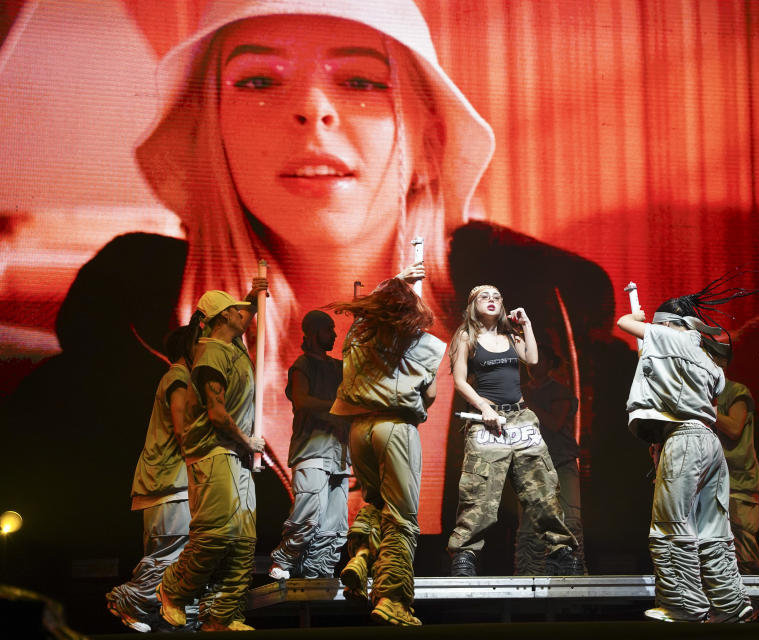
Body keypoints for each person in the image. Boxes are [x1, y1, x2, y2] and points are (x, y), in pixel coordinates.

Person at [133, 0, 495, 495]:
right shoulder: (100, 385)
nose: (313, 107)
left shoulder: (575, 367)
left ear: (430, 140)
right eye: (259, 81)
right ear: (208, 130)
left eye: (362, 82)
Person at [617, 278, 757, 623]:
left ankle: (684, 605)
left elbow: (624, 323)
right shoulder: (707, 359)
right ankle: (731, 606)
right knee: (714, 530)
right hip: (710, 442)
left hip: (683, 440)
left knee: (671, 523)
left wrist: (641, 321)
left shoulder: (666, 336)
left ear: (668, 324)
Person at [328, 266, 444, 627]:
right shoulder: (422, 342)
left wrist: (399, 278)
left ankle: (361, 555)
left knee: (375, 501)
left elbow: (381, 303)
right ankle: (392, 598)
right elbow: (432, 393)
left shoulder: (357, 334)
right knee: (401, 516)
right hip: (394, 427)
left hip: (358, 429)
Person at [156, 281, 267, 632]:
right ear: (223, 317)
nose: (244, 315)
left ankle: (222, 614)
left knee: (244, 541)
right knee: (216, 534)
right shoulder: (213, 352)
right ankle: (172, 590)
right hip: (215, 451)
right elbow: (217, 415)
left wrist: (254, 294)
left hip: (237, 455)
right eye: (237, 310)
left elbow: (250, 316)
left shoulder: (233, 346)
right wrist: (248, 442)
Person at [446, 285, 578, 577]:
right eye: (484, 297)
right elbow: (459, 381)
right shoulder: (466, 336)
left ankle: (560, 551)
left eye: (496, 297)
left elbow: (531, 359)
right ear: (472, 304)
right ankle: (465, 555)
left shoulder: (510, 335)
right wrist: (484, 407)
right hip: (486, 423)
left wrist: (526, 324)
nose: (492, 301)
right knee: (479, 492)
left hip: (520, 419)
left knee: (542, 487)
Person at [105, 325, 200, 633]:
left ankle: (155, 613)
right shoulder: (178, 377)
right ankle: (128, 600)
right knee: (167, 555)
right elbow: (180, 427)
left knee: (175, 557)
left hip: (169, 485)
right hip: (167, 486)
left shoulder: (179, 378)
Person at [269, 310, 350, 581]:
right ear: (313, 333)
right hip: (312, 451)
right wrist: (337, 407)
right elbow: (302, 400)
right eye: (328, 330)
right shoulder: (303, 364)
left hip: (339, 454)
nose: (334, 335)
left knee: (336, 523)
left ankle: (318, 569)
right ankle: (283, 559)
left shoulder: (338, 367)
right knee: (309, 514)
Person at [514, 341, 586, 576]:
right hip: (530, 463)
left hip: (562, 460)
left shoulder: (559, 391)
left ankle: (573, 573)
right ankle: (528, 575)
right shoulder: (520, 390)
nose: (534, 366)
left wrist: (528, 402)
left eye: (540, 360)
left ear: (550, 364)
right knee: (530, 523)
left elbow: (555, 423)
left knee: (570, 517)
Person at [713, 352, 759, 618]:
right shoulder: (704, 394)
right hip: (713, 481)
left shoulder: (737, 392)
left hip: (739, 481)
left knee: (744, 547)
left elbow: (735, 428)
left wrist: (707, 409)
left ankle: (756, 605)